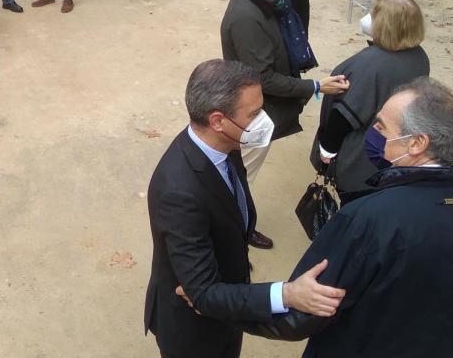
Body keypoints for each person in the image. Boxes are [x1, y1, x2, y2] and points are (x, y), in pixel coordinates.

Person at [219, 78, 453, 358]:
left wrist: (217, 302)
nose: (371, 135)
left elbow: (299, 316)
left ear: (417, 143)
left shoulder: (366, 219)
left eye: (381, 128)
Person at [145, 59, 347, 358]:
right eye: (253, 114)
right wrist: (288, 294)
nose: (263, 120)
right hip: (194, 331)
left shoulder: (226, 145)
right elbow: (202, 294)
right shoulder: (179, 191)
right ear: (217, 120)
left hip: (229, 309)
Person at [220, 0, 349, 249]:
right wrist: (315, 86)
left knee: (240, 175)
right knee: (239, 178)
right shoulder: (247, 16)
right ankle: (232, 231)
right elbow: (263, 78)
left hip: (261, 109)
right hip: (252, 115)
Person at [311, 0, 429, 204]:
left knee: (356, 212)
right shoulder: (420, 57)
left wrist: (326, 151)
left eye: (375, 15)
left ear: (386, 26)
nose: (368, 19)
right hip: (395, 155)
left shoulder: (370, 66)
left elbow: (343, 118)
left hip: (361, 165)